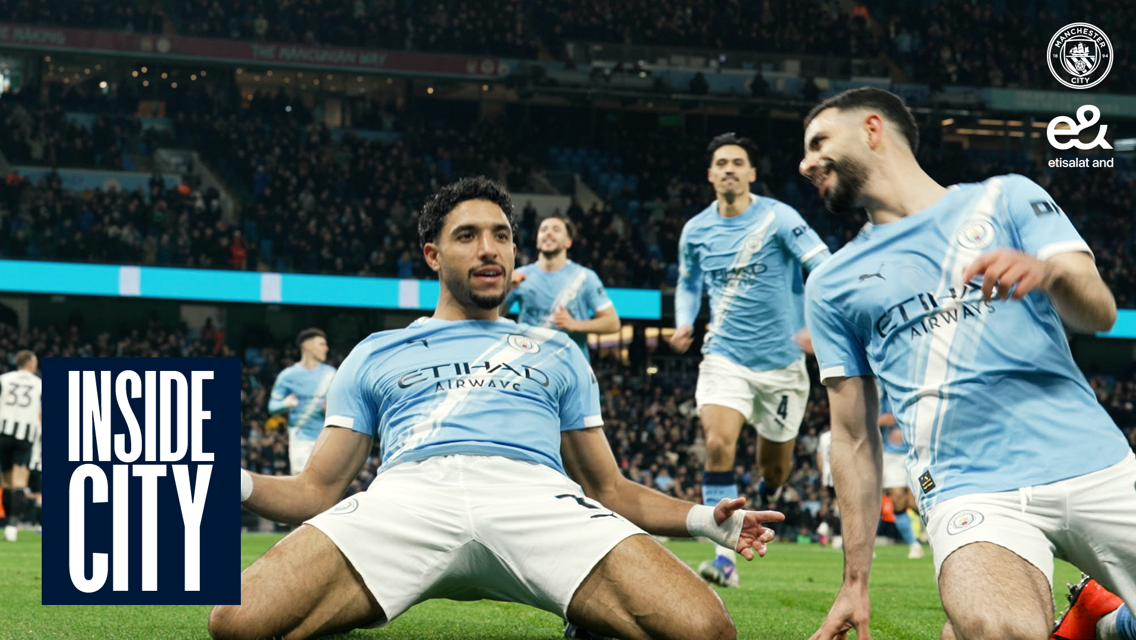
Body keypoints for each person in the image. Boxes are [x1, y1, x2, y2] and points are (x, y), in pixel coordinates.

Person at [211, 177, 785, 640]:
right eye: (467, 236)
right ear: (433, 255)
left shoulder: (557, 350)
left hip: (536, 500)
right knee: (237, 622)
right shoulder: (375, 351)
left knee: (707, 629)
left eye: (502, 235)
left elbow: (610, 490)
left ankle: (581, 609)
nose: (488, 248)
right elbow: (314, 491)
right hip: (407, 499)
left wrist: (706, 521)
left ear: (514, 252)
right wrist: (227, 483)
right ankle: (359, 599)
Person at [798, 87, 1136, 640]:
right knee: (996, 629)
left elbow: (1099, 311)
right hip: (971, 489)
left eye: (818, 142)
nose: (806, 162)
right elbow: (853, 438)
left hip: (1093, 460)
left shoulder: (1006, 198)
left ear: (873, 130)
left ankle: (1106, 625)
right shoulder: (832, 283)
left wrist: (1048, 273)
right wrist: (854, 581)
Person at [669, 132, 830, 587]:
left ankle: (763, 495)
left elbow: (824, 265)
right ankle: (724, 561)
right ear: (709, 173)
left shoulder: (780, 218)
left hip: (782, 365)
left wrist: (819, 325)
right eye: (720, 162)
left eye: (737, 162)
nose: (728, 169)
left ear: (751, 173)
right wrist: (685, 321)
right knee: (718, 443)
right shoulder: (696, 230)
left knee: (775, 469)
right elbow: (687, 283)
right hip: (724, 357)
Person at [503, 215, 620, 361]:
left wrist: (575, 325)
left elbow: (612, 323)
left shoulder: (585, 277)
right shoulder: (519, 276)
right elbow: (496, 316)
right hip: (530, 367)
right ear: (537, 239)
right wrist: (507, 290)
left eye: (556, 229)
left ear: (568, 242)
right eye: (543, 229)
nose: (548, 233)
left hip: (570, 368)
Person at [268, 328, 336, 474]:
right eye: (322, 344)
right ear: (308, 346)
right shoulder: (288, 375)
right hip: (300, 437)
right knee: (300, 481)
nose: (326, 348)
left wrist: (332, 408)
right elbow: (272, 406)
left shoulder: (331, 374)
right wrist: (286, 404)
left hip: (326, 438)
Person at [0, 350, 41, 542]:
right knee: (18, 481)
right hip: (25, 434)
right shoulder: (39, 384)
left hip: (3, 432)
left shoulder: (5, 379)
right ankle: (12, 527)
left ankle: (9, 526)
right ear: (31, 364)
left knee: (6, 480)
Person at [878, 396, 923, 559]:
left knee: (915, 502)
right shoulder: (881, 391)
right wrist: (882, 420)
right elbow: (874, 419)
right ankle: (914, 544)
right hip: (891, 455)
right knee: (897, 499)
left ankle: (941, 538)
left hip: (916, 451)